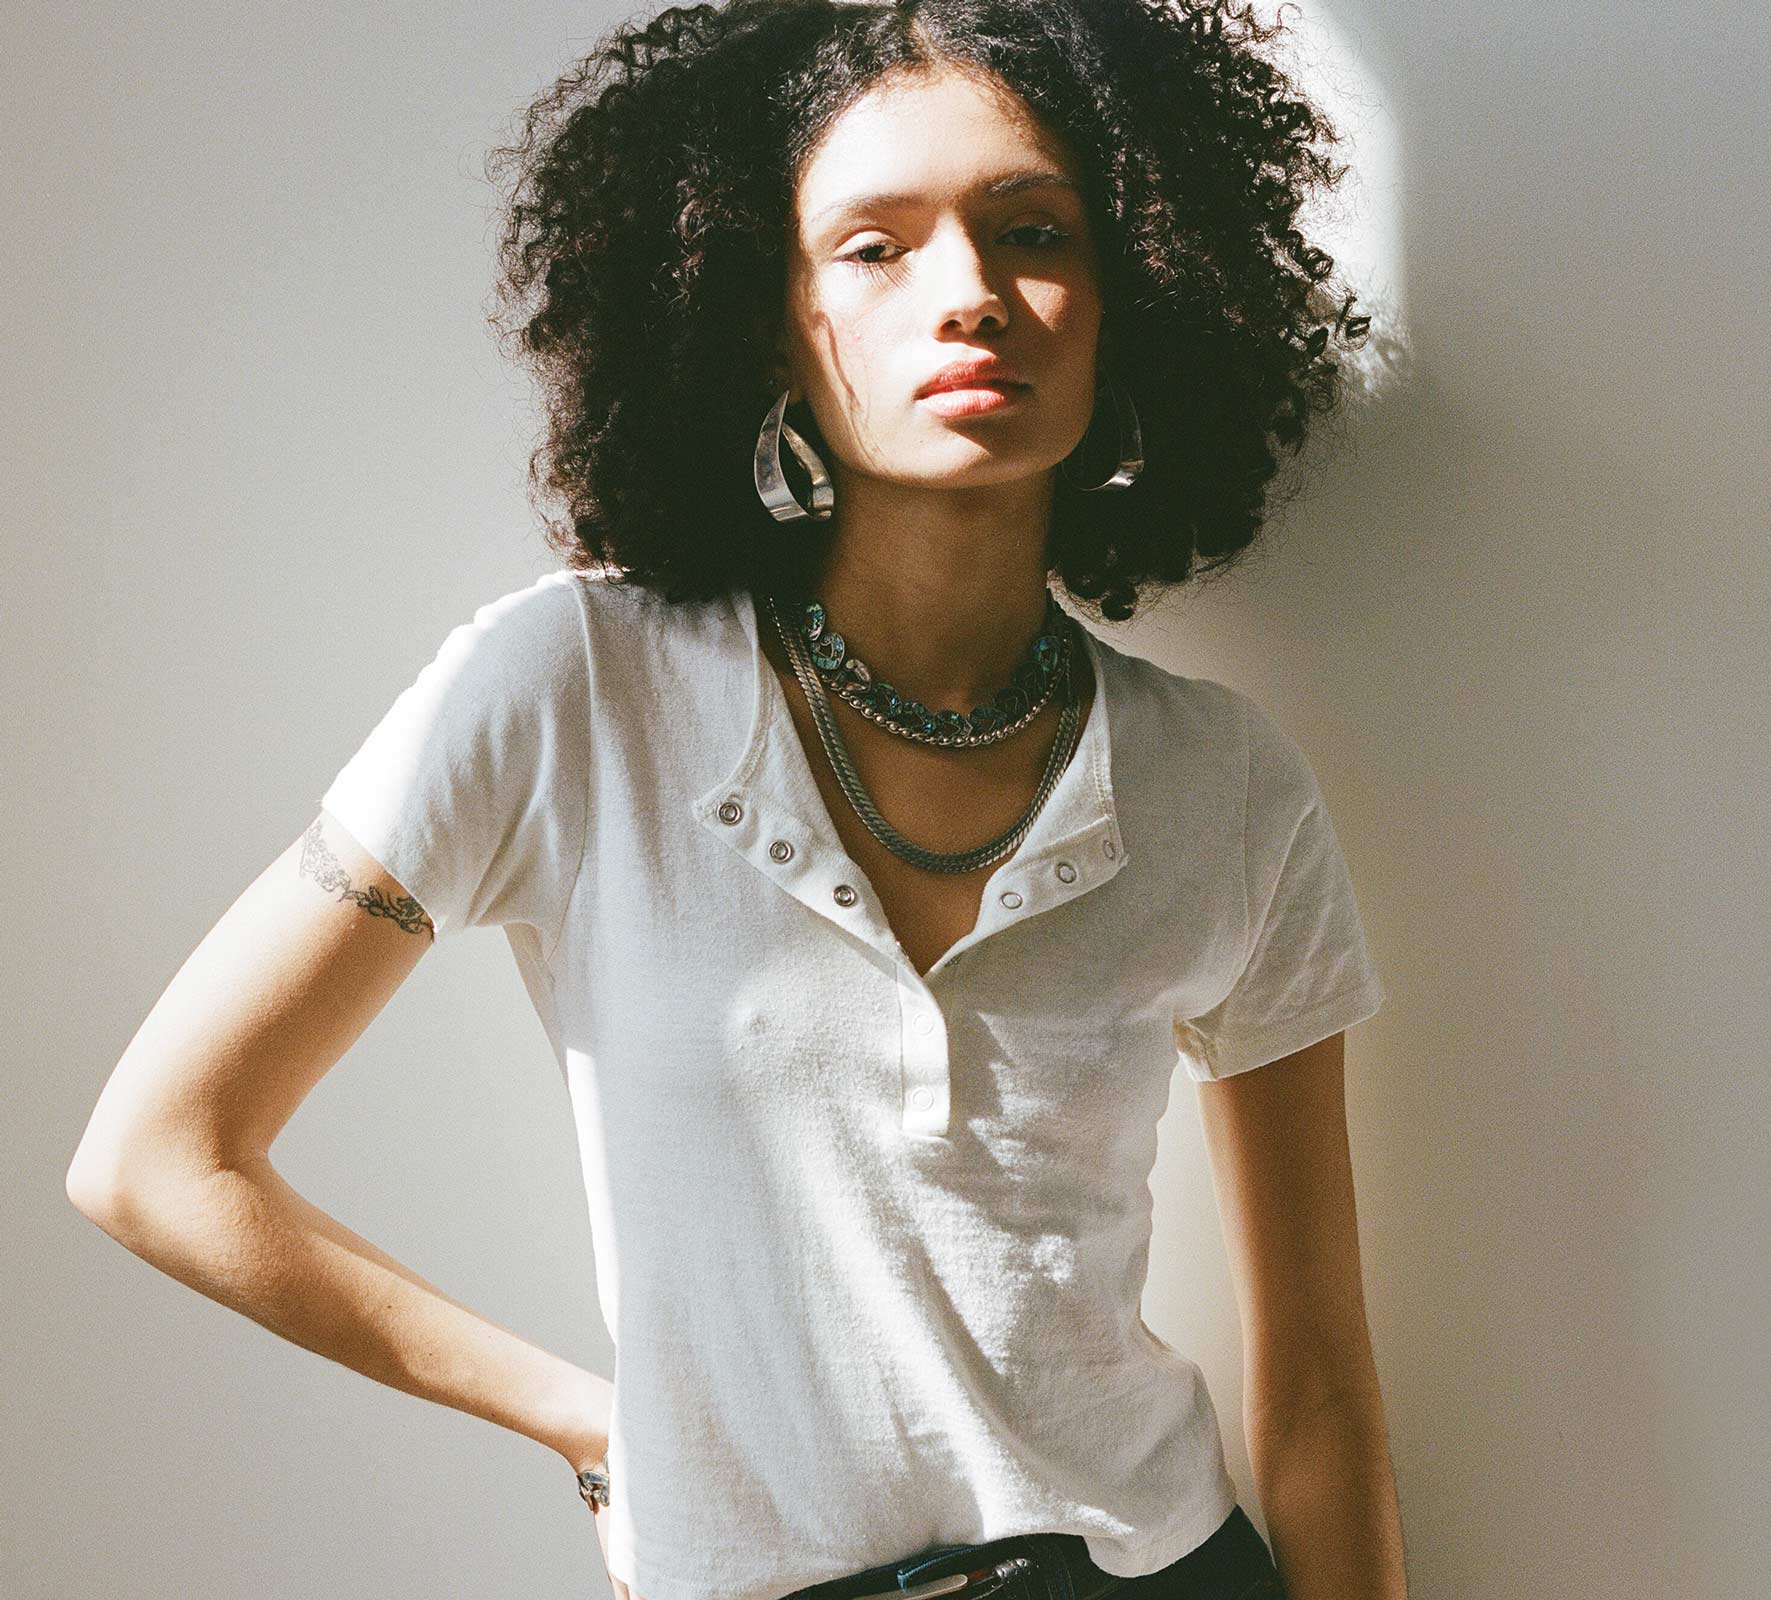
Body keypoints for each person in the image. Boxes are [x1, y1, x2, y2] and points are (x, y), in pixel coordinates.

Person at [66, 3, 1407, 1598]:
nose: (971, 294)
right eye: (874, 248)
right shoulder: (573, 688)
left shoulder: (1225, 783)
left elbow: (1322, 1398)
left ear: (1131, 298)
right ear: (770, 326)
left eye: (1034, 232)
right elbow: (159, 1157)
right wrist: (592, 1422)